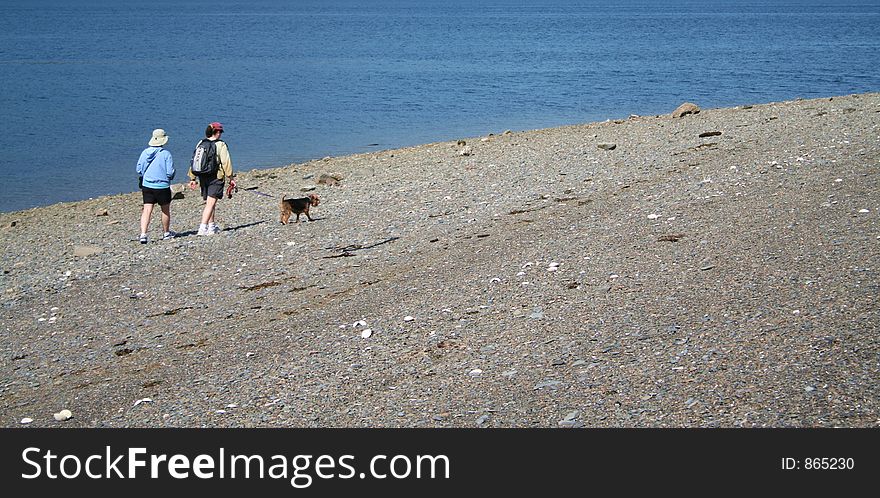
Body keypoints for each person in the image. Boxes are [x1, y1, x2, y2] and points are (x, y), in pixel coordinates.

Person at [188, 122, 235, 235]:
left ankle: (211, 226)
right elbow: (225, 162)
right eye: (220, 132)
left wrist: (192, 177)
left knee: (210, 202)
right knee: (210, 203)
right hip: (216, 176)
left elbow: (194, 160)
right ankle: (202, 228)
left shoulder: (201, 142)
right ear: (217, 132)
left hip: (202, 176)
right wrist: (230, 177)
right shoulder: (221, 145)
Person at [136, 128, 176, 244]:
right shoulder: (166, 154)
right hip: (162, 186)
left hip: (147, 185)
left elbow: (139, 169)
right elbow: (170, 172)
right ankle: (166, 233)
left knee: (147, 210)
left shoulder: (145, 152)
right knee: (165, 210)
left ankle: (143, 234)